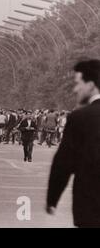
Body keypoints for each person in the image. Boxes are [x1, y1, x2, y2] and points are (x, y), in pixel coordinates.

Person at [47, 60, 100, 227]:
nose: (75, 89)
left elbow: (63, 163)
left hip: (91, 206)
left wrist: (52, 199)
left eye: (78, 83)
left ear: (91, 85)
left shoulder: (81, 118)